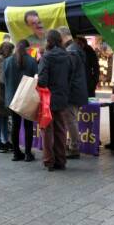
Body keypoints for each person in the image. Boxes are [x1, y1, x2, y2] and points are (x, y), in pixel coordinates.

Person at [38, 29, 72, 171]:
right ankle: (61, 161)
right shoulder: (67, 56)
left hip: (48, 99)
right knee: (61, 130)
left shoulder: (46, 57)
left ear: (49, 41)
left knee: (47, 130)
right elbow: (70, 77)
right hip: (62, 97)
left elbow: (42, 81)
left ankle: (49, 161)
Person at [4, 39, 38, 162]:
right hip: (27, 98)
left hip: (12, 98)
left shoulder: (7, 61)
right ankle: (28, 154)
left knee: (15, 125)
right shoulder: (32, 61)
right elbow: (36, 79)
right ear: (27, 49)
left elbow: (4, 79)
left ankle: (16, 153)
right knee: (28, 126)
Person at [58, 26, 88, 159]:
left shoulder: (71, 51)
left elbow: (68, 75)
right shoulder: (76, 49)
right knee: (71, 120)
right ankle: (72, 145)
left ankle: (74, 148)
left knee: (70, 121)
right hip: (77, 91)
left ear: (63, 37)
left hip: (72, 92)